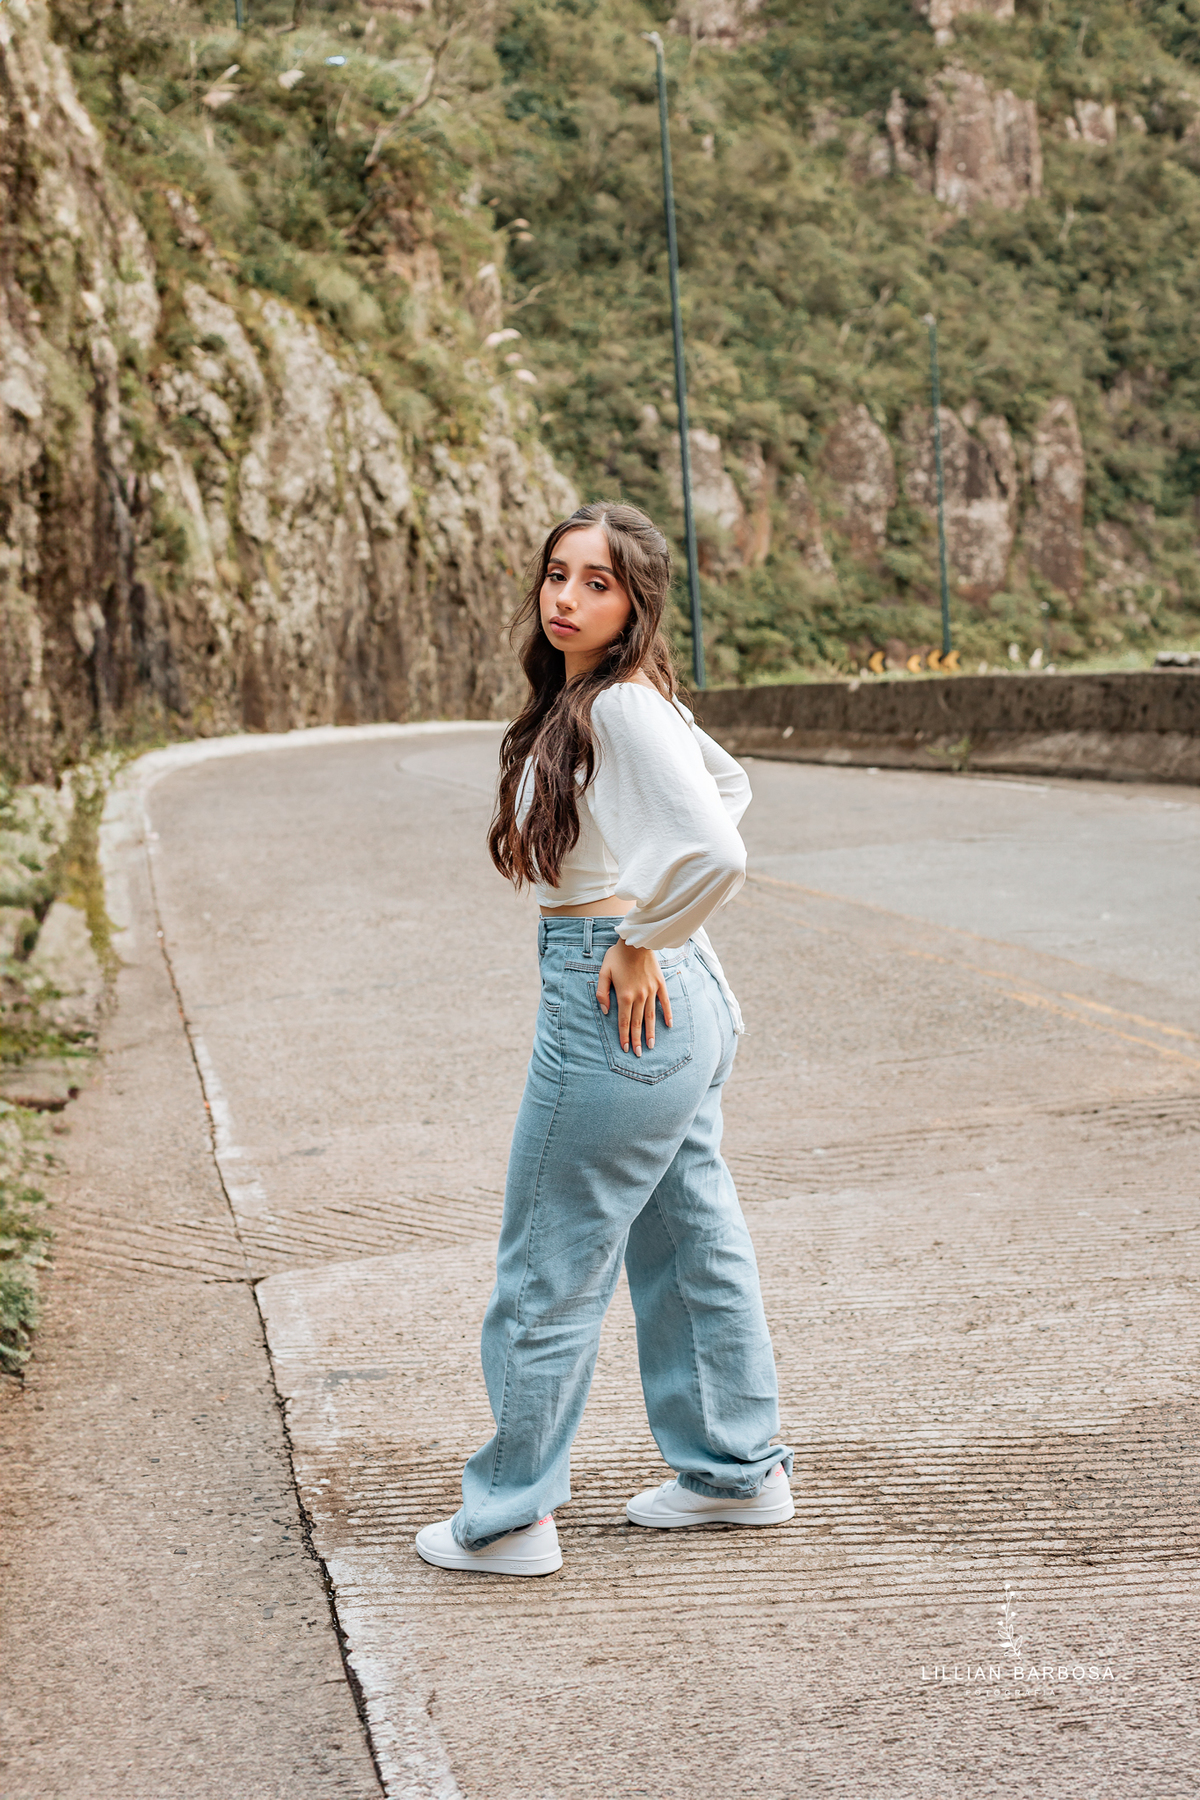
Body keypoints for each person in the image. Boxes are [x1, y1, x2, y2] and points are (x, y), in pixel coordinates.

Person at [415, 501, 792, 1577]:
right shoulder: (611, 699)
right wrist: (655, 922)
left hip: (617, 991)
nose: (567, 598)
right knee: (689, 1239)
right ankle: (735, 1472)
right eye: (558, 574)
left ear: (636, 603)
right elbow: (728, 785)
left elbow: (716, 845)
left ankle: (509, 1518)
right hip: (677, 1002)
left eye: (598, 583)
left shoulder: (619, 705)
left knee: (549, 1261)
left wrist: (640, 933)